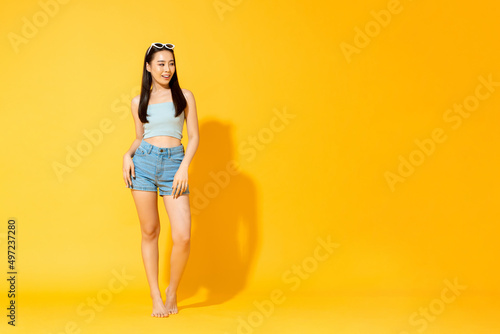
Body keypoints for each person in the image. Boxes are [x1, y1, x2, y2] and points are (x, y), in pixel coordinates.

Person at [122, 42, 199, 318]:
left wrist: (184, 167)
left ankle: (171, 290)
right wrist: (127, 155)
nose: (167, 69)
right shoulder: (138, 102)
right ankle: (155, 295)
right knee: (150, 231)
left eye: (171, 63)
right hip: (142, 163)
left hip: (174, 165)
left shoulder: (185, 96)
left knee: (182, 236)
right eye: (161, 64)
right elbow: (140, 137)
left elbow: (194, 137)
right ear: (148, 67)